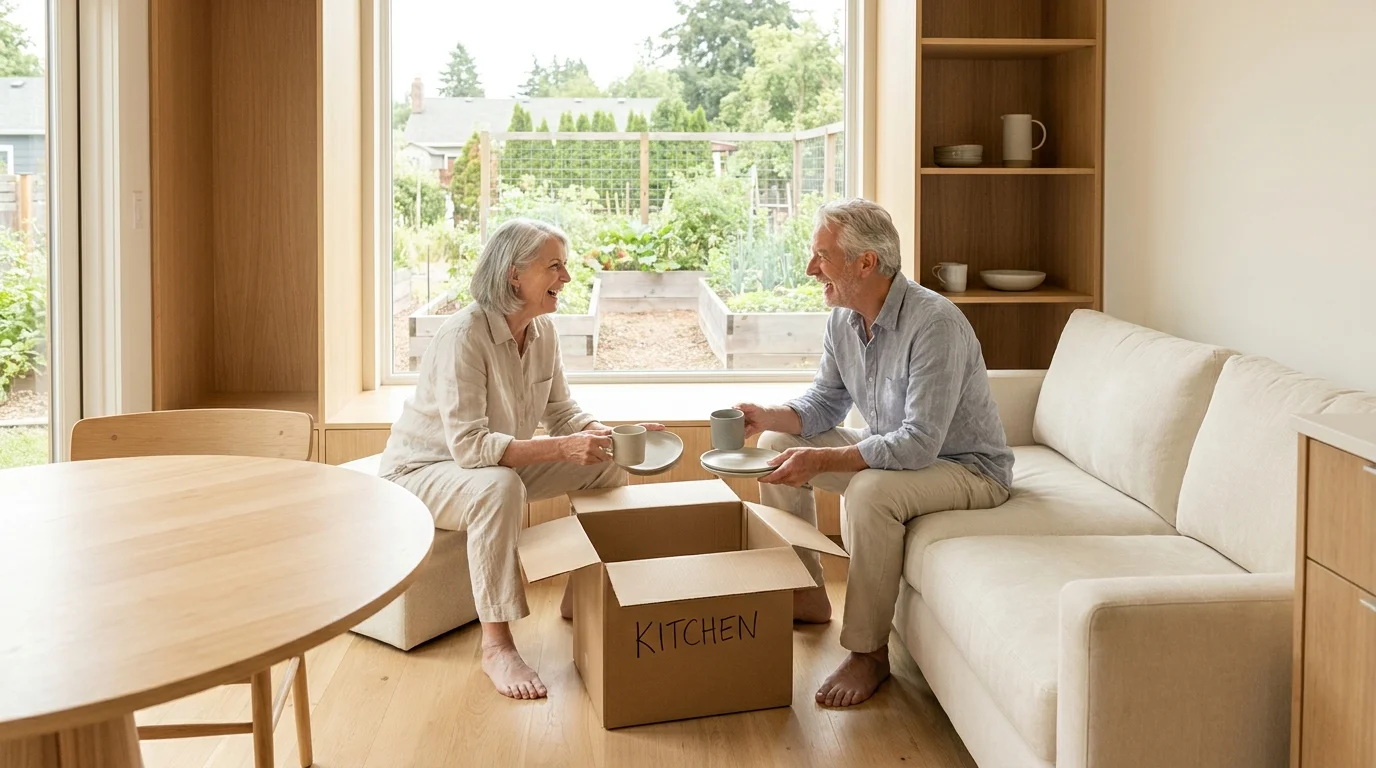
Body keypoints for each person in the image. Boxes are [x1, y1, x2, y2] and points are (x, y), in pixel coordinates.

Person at [735, 198, 1014, 708]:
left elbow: (918, 443)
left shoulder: (935, 324)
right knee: (776, 447)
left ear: (865, 263)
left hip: (966, 469)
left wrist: (821, 461)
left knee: (870, 490)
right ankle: (807, 593)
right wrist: (767, 417)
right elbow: (825, 404)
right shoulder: (844, 320)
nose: (810, 268)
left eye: (821, 255)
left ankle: (869, 653)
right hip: (905, 455)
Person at [378, 217, 661, 701]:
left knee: (607, 462)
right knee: (499, 486)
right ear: (514, 274)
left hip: (484, 464)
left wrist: (604, 434)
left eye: (564, 267)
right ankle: (497, 646)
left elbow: (562, 412)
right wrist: (561, 447)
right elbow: (469, 448)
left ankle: (585, 594)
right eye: (554, 267)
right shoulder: (462, 337)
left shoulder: (543, 331)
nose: (566, 278)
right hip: (420, 473)